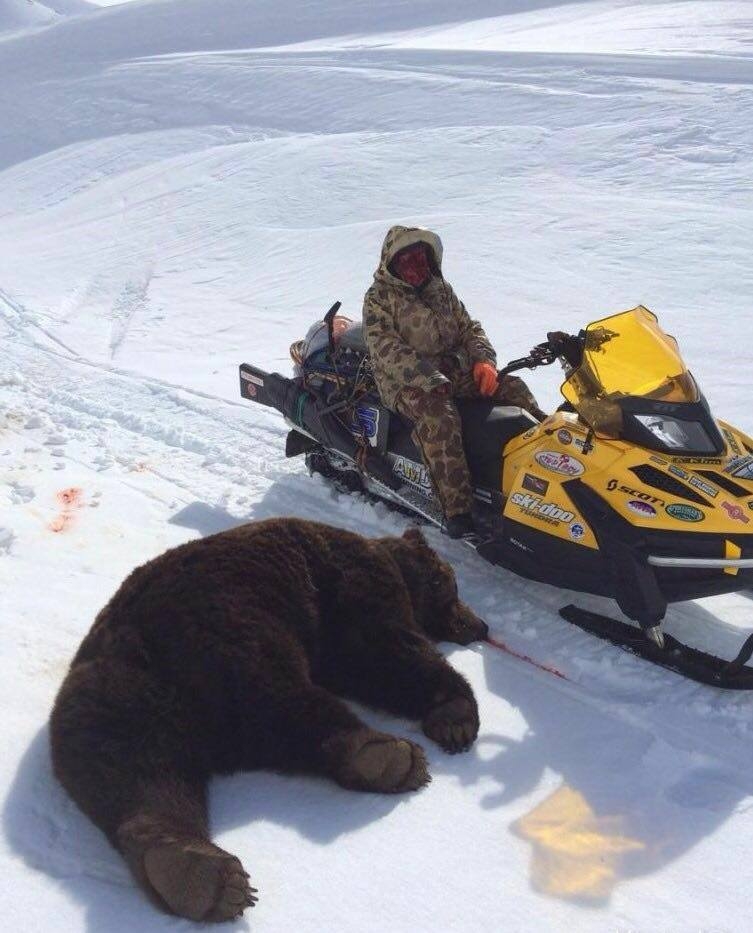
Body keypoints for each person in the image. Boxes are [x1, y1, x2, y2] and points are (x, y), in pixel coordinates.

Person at [363, 225, 543, 538]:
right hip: (404, 380)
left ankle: (549, 464)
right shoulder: (379, 298)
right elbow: (385, 349)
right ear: (391, 262)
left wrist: (484, 361)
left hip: (453, 370)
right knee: (440, 418)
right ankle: (458, 509)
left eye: (421, 257)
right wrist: (428, 377)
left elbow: (470, 329)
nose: (415, 265)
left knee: (512, 387)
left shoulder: (440, 290)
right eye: (406, 258)